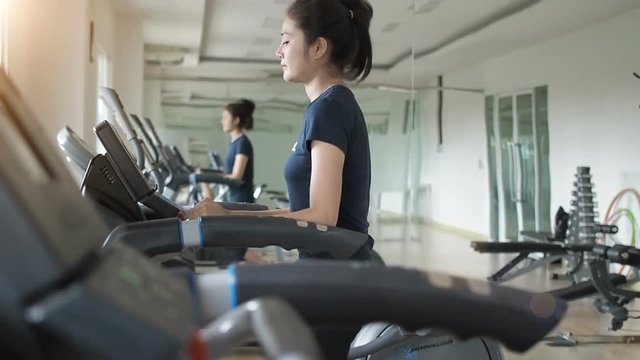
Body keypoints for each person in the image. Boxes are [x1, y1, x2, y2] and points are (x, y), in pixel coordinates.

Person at [188, 0, 375, 261]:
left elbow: (322, 217)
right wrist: (227, 215)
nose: (278, 51)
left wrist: (230, 218)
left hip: (335, 270)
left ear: (318, 47)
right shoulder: (326, 107)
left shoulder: (329, 109)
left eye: (286, 41)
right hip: (325, 263)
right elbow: (308, 213)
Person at [200, 99, 255, 203]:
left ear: (236, 120)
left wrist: (209, 177)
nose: (222, 121)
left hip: (242, 200)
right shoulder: (234, 143)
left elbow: (236, 176)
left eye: (225, 118)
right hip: (233, 197)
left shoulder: (242, 143)